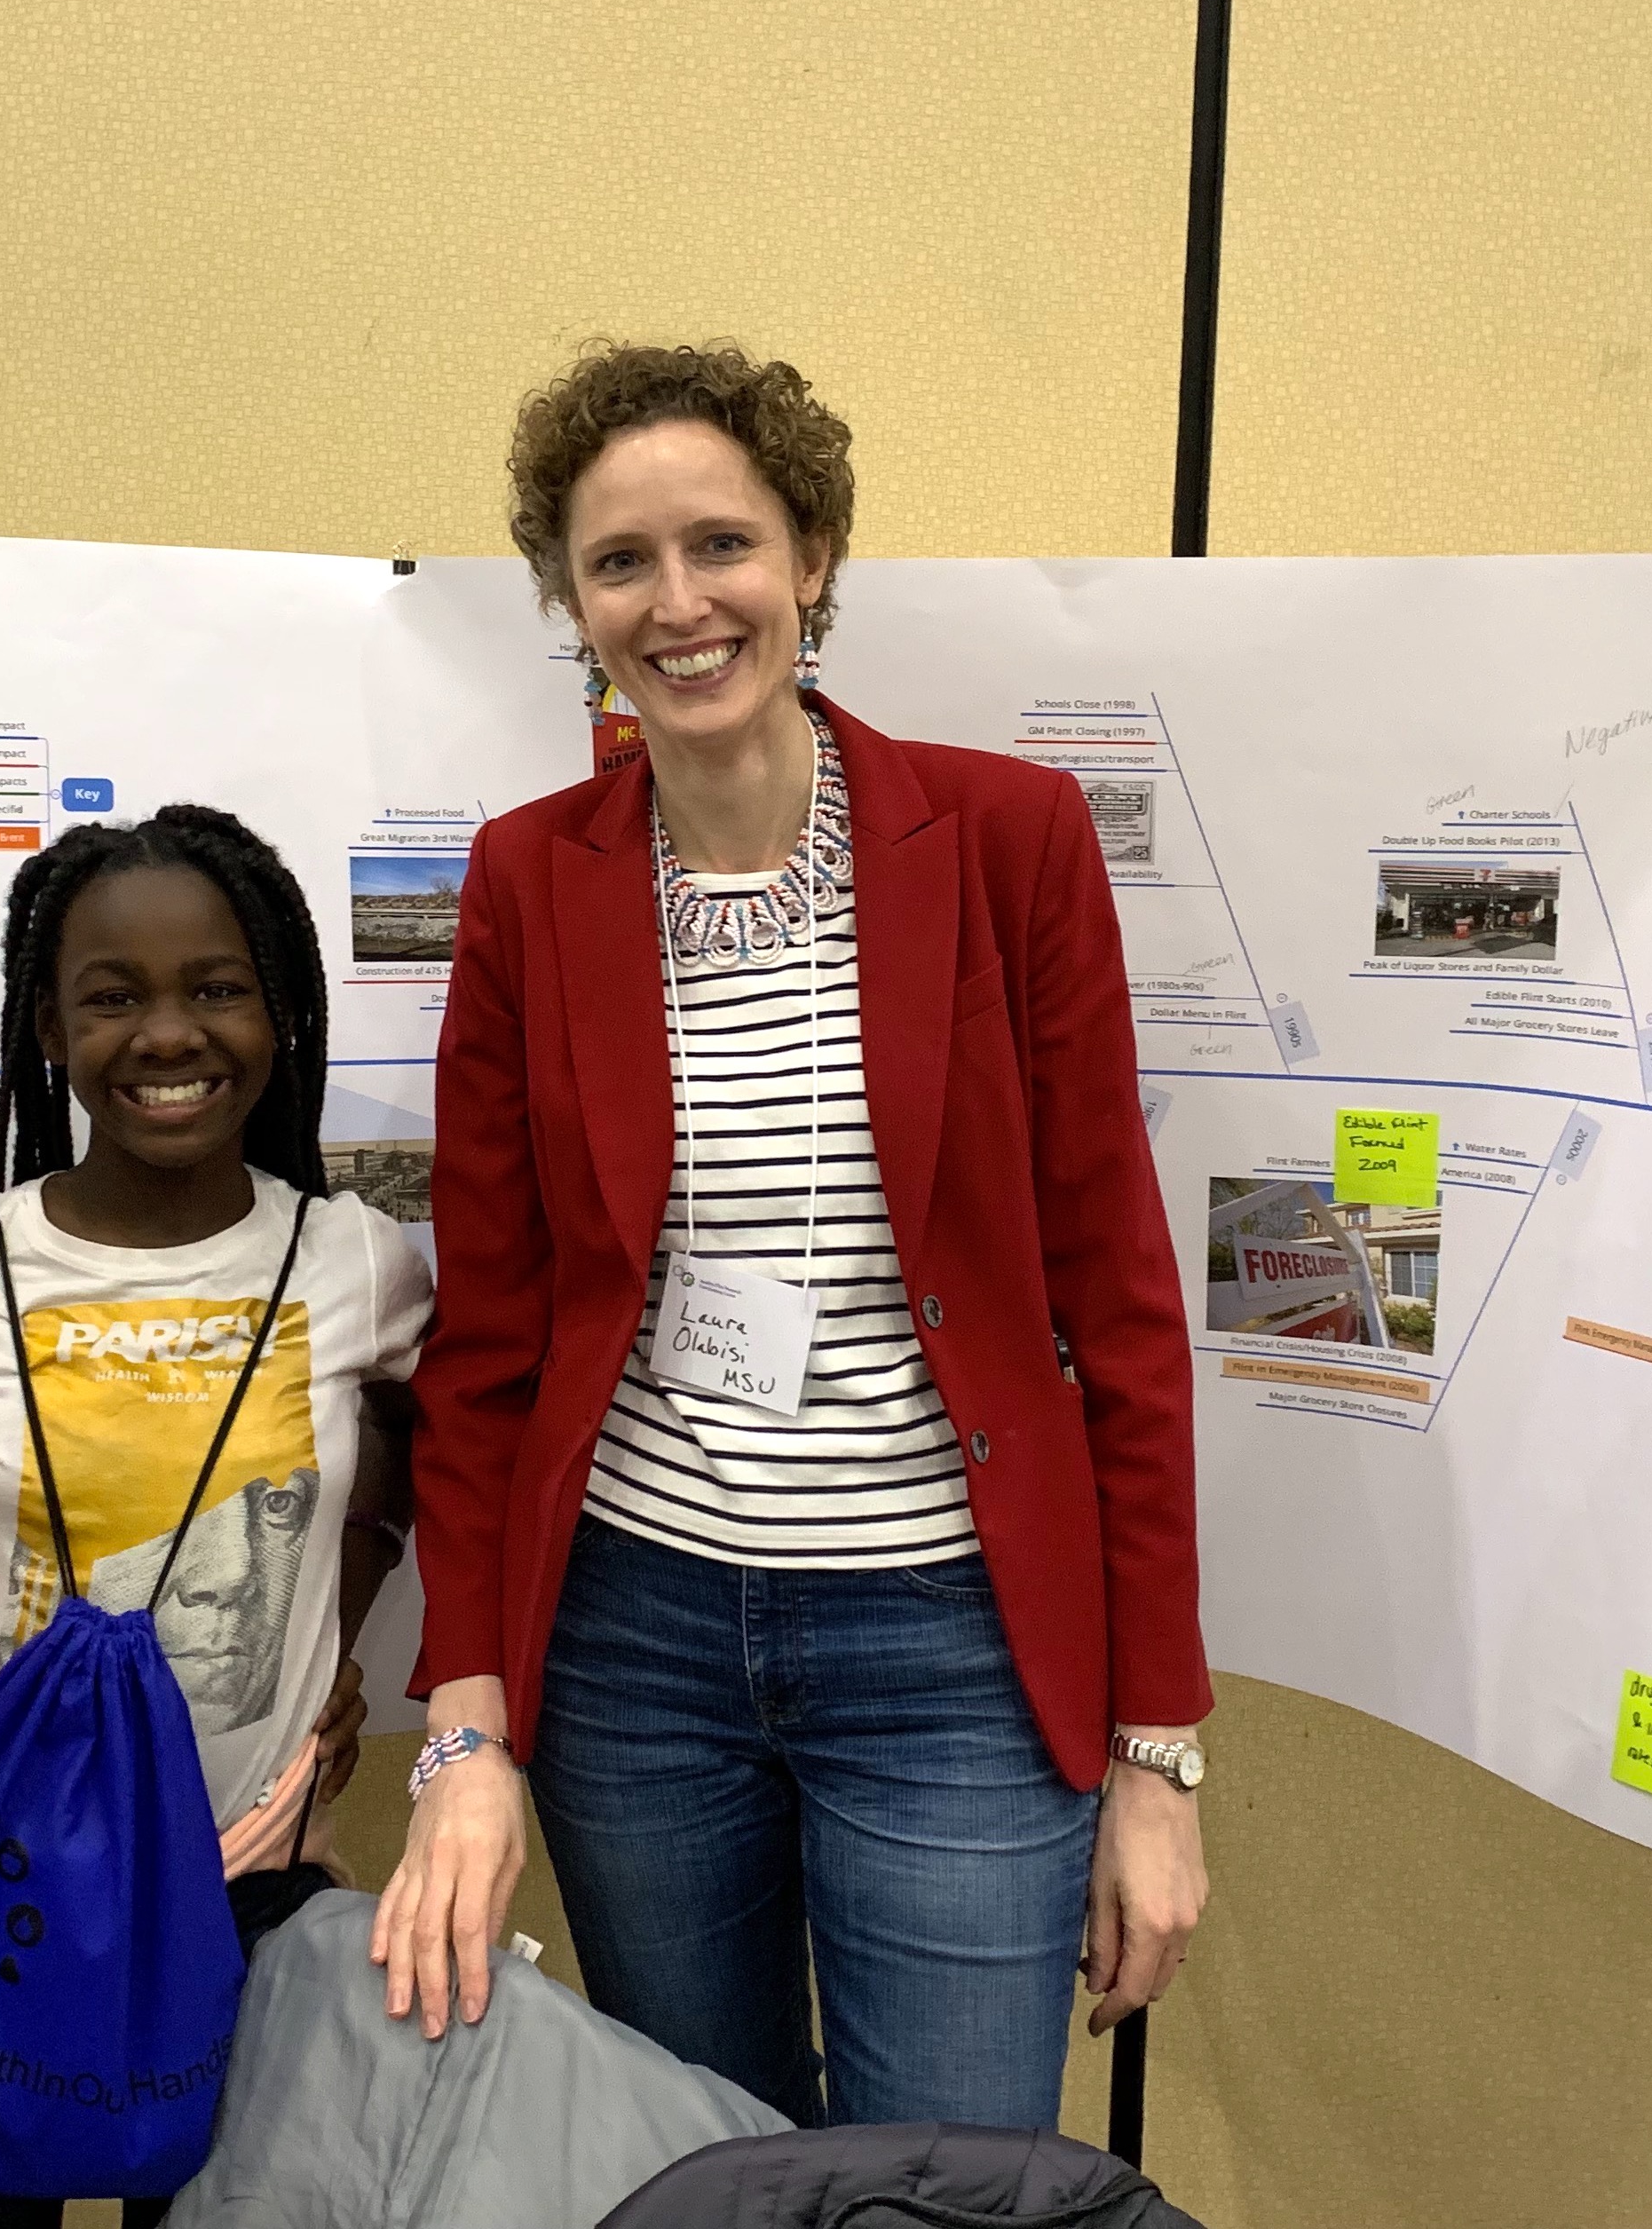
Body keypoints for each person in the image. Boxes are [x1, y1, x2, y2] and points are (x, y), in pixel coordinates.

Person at [376, 342, 1213, 2132]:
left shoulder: (1004, 839)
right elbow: (491, 1348)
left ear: (813, 556)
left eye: (723, 544)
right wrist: (466, 1727)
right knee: (714, 2159)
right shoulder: (535, 879)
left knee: (949, 2173)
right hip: (636, 1644)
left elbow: (1125, 1319)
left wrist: (1157, 1754)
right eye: (620, 562)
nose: (679, 603)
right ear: (570, 600)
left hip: (953, 1645)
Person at [0, 805, 432, 2228]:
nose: (170, 1033)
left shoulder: (349, 1260)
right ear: (49, 1023)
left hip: (248, 1882)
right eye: (114, 995)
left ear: (280, 1010)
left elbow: (410, 1426)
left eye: (217, 987)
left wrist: (339, 1613)